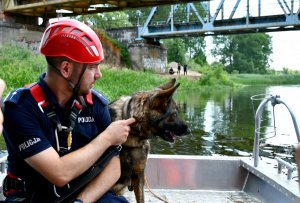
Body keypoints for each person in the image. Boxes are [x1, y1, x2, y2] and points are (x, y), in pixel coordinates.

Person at [2, 19, 135, 202]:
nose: (99, 74)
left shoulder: (94, 103)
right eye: (92, 67)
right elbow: (59, 173)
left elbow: (113, 165)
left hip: (81, 193)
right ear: (66, 68)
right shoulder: (20, 108)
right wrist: (107, 138)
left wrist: (82, 201)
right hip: (32, 197)